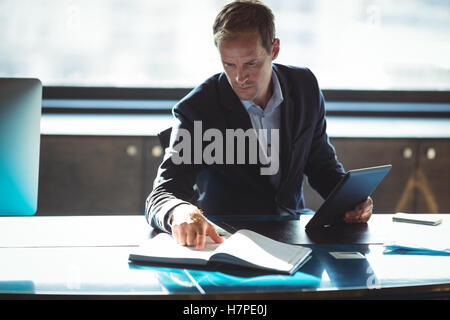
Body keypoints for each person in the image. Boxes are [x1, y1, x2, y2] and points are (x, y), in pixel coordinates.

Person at [146, 0, 373, 250]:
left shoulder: (304, 87)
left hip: (295, 232)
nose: (239, 78)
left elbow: (322, 167)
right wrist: (179, 211)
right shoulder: (199, 109)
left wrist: (352, 202)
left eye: (251, 64)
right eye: (229, 65)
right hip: (230, 241)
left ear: (274, 49)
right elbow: (161, 195)